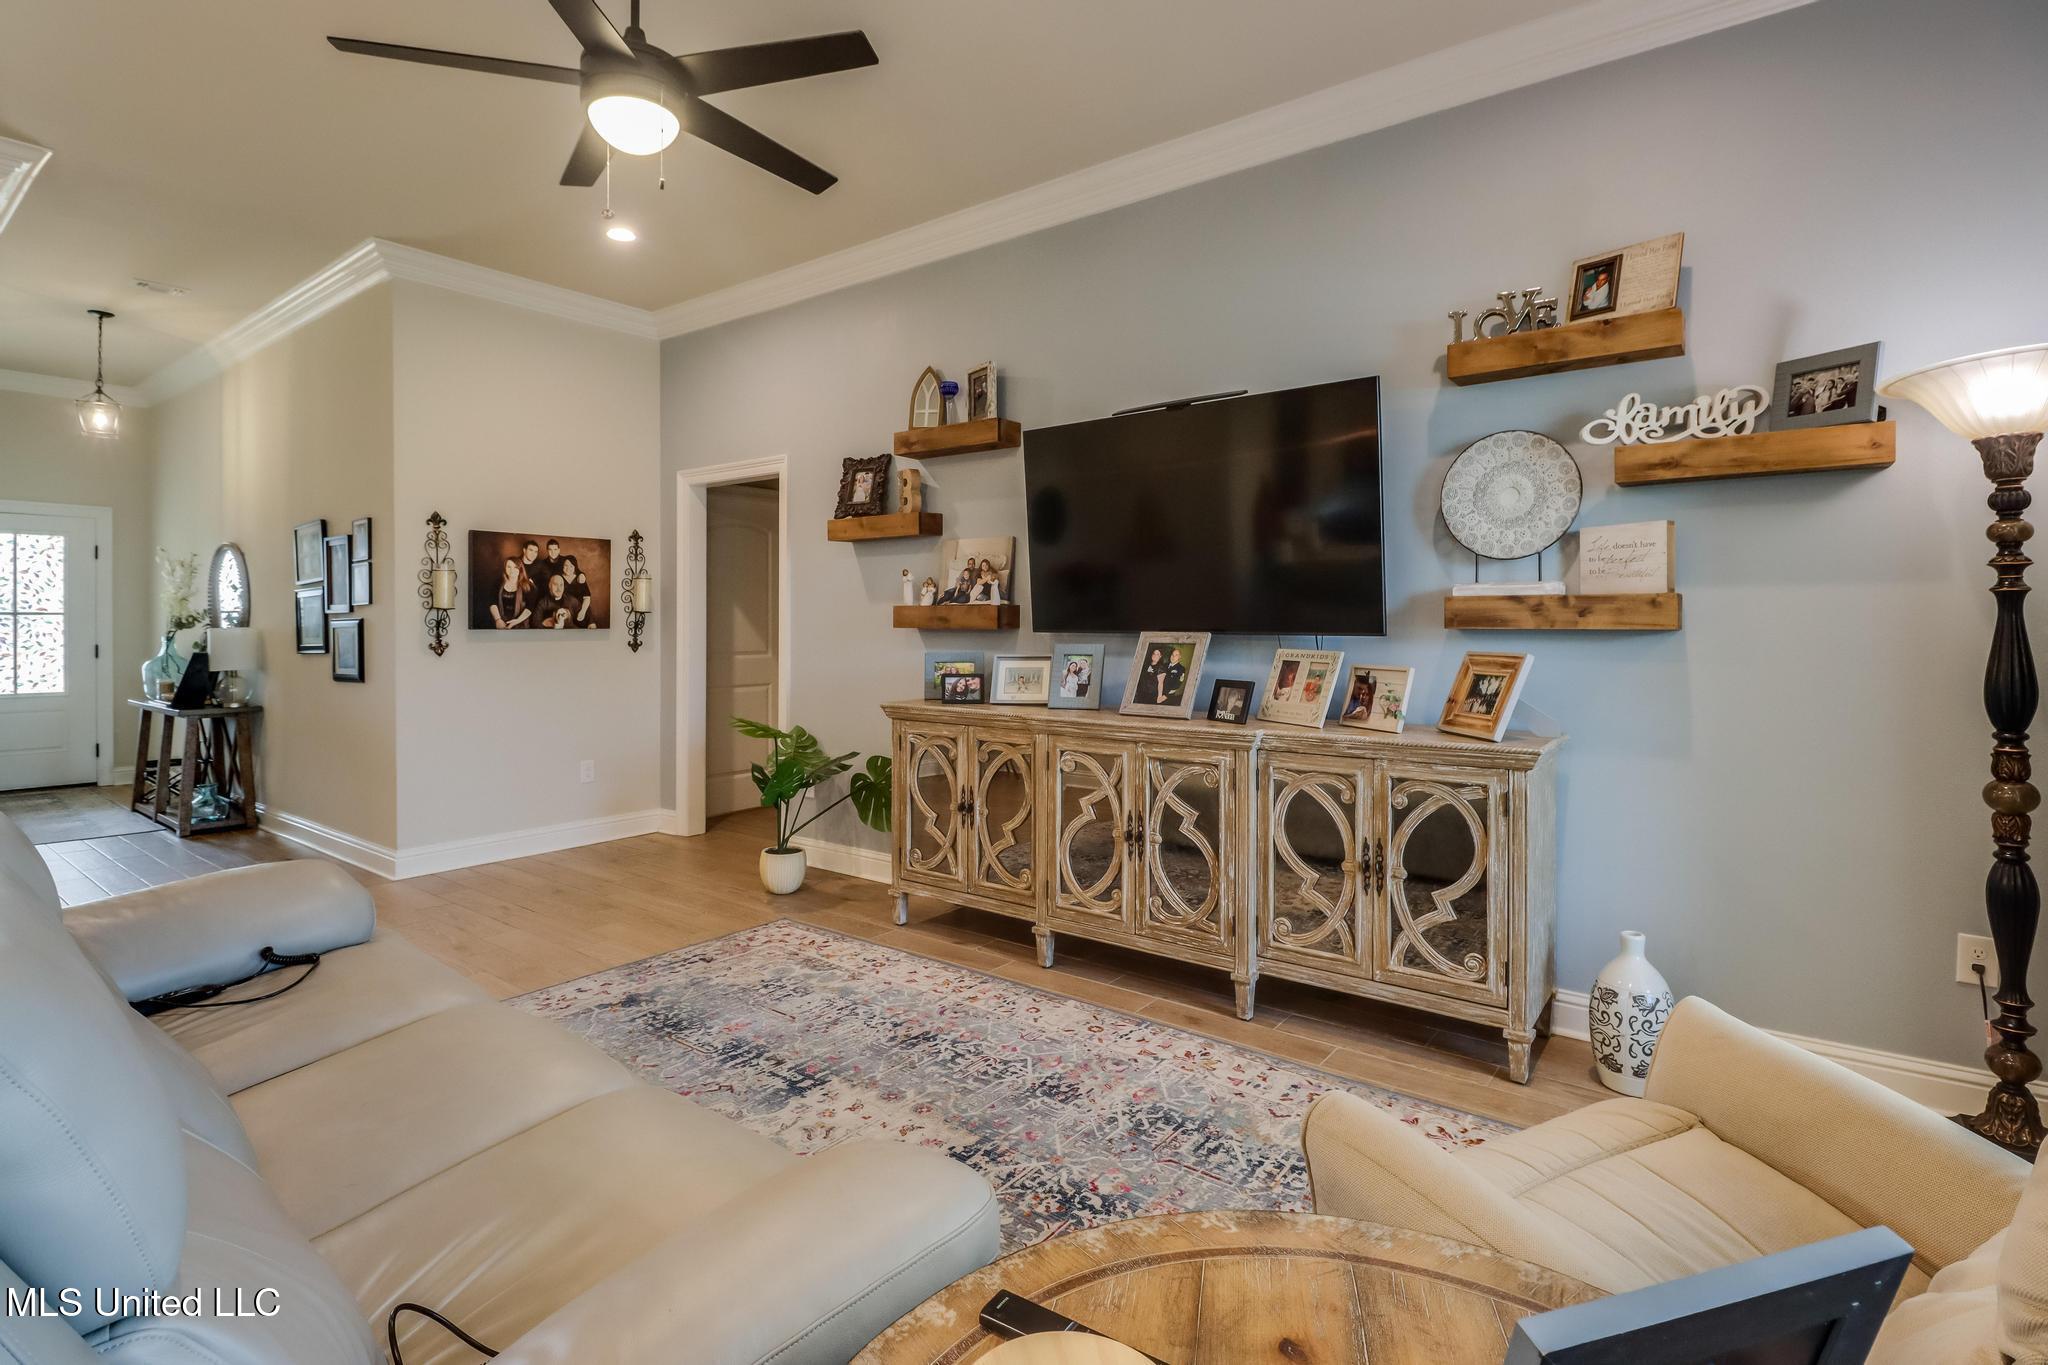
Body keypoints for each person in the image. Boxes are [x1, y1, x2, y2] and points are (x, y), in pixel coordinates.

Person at [490, 557, 531, 629]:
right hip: (500, 623)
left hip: (520, 624)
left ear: (520, 569)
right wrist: (498, 620)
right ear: (505, 568)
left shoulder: (528, 586)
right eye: (509, 567)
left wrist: (517, 621)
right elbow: (492, 602)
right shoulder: (497, 583)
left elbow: (530, 607)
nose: (512, 570)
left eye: (515, 567)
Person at [559, 555, 592, 626]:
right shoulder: (559, 577)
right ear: (562, 566)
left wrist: (582, 611)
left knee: (589, 625)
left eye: (571, 566)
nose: (568, 568)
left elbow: (587, 597)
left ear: (575, 567)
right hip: (565, 609)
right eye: (566, 565)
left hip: (581, 608)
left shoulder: (580, 578)